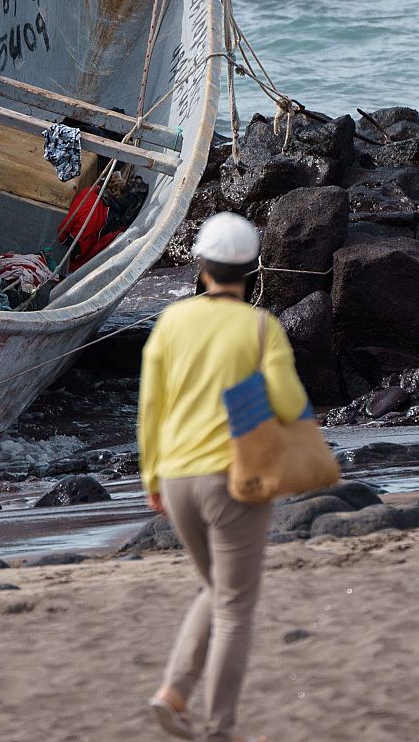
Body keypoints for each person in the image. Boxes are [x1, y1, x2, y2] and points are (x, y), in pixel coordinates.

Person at [139, 211, 307, 742]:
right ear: (253, 270)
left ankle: (173, 694)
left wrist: (152, 478)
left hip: (177, 479)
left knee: (216, 588)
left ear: (201, 267)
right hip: (234, 480)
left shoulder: (171, 322)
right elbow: (289, 401)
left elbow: (150, 408)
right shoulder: (261, 327)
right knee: (235, 605)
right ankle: (217, 729)